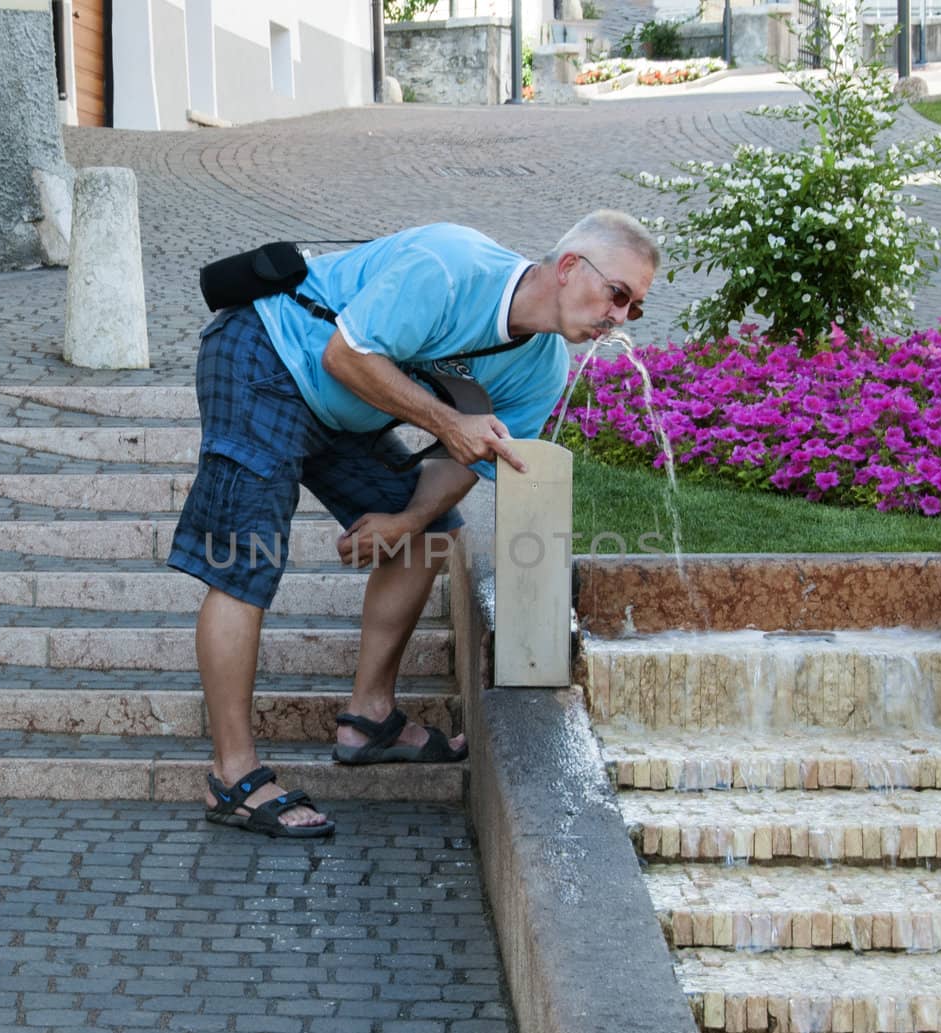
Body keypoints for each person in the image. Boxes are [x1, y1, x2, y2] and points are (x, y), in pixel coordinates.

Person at [170, 210, 659, 837]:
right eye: (619, 295)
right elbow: (345, 355)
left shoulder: (543, 369)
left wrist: (406, 519)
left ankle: (369, 719)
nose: (620, 319)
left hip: (344, 413)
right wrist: (449, 424)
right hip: (263, 356)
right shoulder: (450, 268)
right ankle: (233, 777)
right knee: (247, 560)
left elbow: (478, 461)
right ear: (569, 268)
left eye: (635, 309)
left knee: (430, 534)